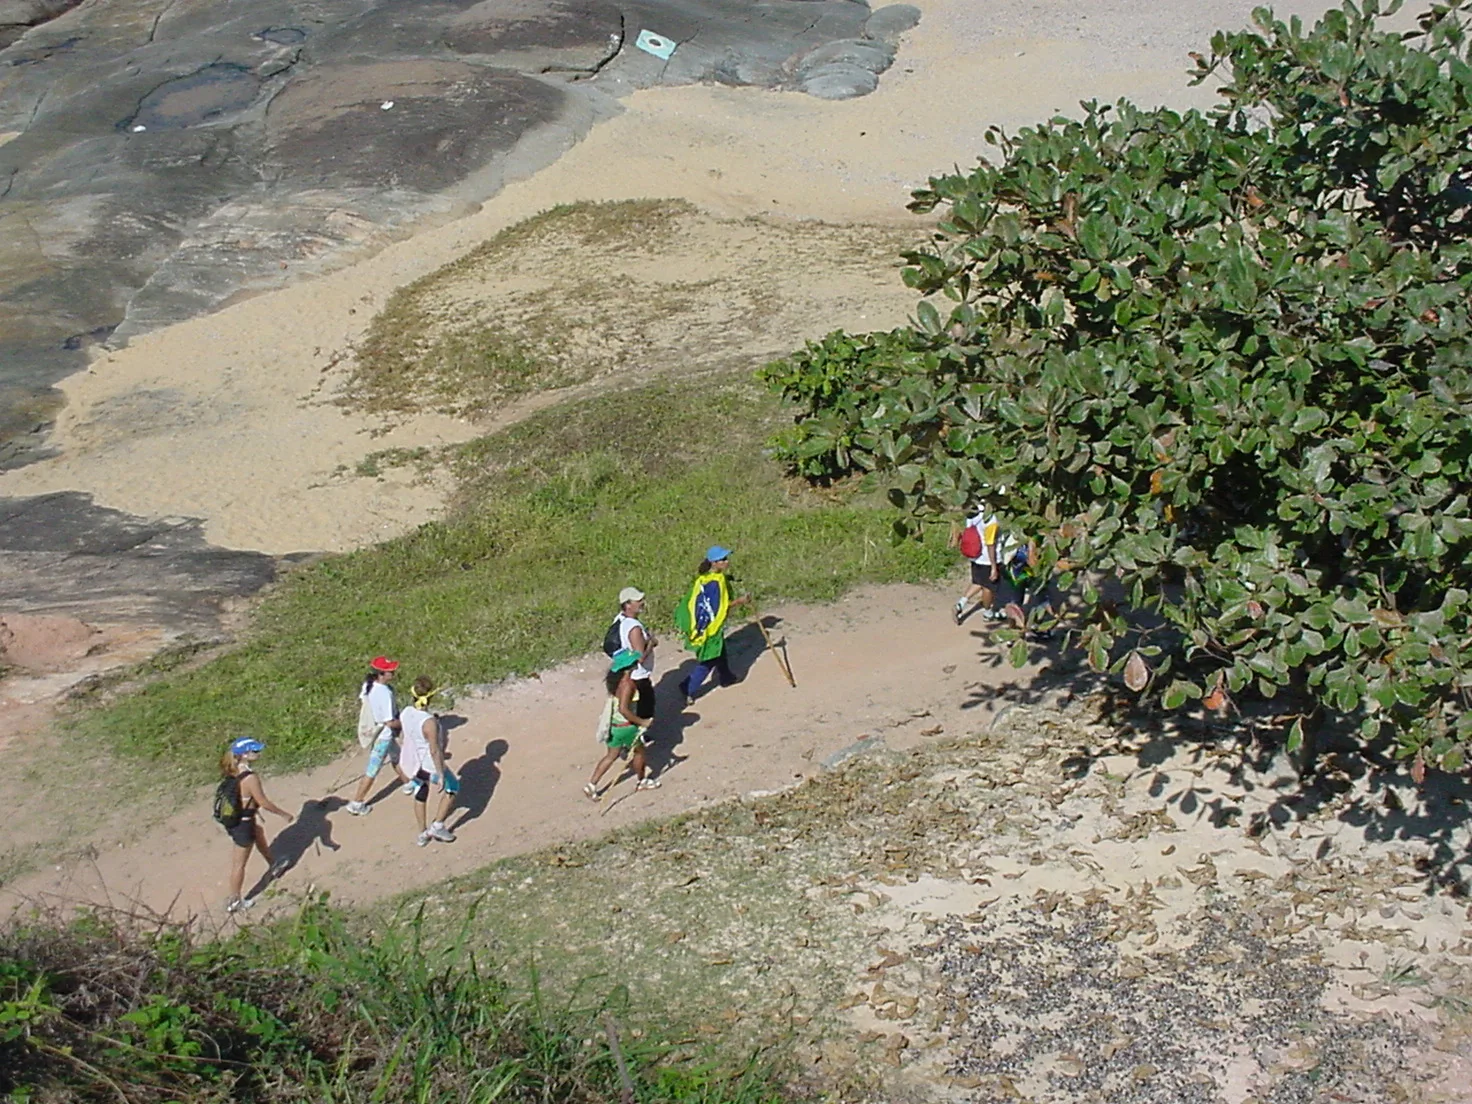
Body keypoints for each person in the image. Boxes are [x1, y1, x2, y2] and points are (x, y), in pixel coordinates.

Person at [218, 737, 294, 913]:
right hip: (243, 825)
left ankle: (274, 865)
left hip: (238, 822)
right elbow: (263, 802)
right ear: (244, 755)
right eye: (255, 751)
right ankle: (235, 900)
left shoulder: (233, 771)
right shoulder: (251, 778)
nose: (259, 754)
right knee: (239, 864)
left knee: (258, 833)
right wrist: (284, 814)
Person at [675, 545, 752, 704]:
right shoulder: (715, 583)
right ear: (714, 563)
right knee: (709, 660)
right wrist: (740, 601)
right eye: (722, 560)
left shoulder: (707, 579)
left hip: (712, 627)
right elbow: (720, 607)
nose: (726, 562)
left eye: (726, 558)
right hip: (710, 629)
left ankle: (726, 677)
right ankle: (687, 687)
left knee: (720, 650)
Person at [584, 648, 657, 798]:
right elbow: (624, 709)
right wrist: (642, 722)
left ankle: (592, 784)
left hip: (615, 726)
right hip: (627, 727)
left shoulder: (615, 681)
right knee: (639, 753)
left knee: (611, 756)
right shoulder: (628, 685)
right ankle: (642, 781)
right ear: (629, 666)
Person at [345, 656, 412, 816]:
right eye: (390, 671)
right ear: (382, 673)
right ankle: (357, 802)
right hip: (384, 735)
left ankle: (409, 783)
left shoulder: (368, 685)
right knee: (373, 769)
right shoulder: (385, 693)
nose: (394, 673)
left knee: (396, 756)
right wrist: (406, 722)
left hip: (375, 731)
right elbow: (390, 721)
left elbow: (364, 700)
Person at [397, 676, 458, 846]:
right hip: (429, 765)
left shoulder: (406, 712)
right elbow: (434, 749)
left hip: (413, 763)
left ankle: (422, 833)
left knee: (421, 793)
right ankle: (437, 825)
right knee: (452, 788)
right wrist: (440, 773)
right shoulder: (429, 722)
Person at [952, 499, 1009, 624]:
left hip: (975, 556)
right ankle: (988, 613)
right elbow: (990, 544)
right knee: (988, 587)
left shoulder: (972, 514)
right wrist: (994, 566)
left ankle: (960, 604)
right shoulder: (990, 519)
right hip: (988, 559)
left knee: (978, 581)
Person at [614, 586, 657, 720]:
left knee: (631, 705)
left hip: (626, 673)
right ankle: (641, 734)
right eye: (638, 600)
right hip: (639, 676)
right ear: (627, 604)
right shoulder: (634, 628)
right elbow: (640, 658)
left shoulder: (620, 619)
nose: (642, 602)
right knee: (646, 707)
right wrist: (651, 643)